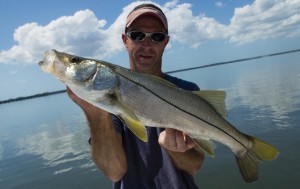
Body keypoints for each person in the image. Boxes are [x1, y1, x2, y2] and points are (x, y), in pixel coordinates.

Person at [67, 3, 205, 189]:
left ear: (165, 42)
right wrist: (97, 115)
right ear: (125, 40)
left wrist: (176, 150)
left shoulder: (187, 91)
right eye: (137, 35)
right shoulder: (107, 97)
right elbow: (114, 171)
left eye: (156, 37)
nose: (147, 44)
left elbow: (194, 166)